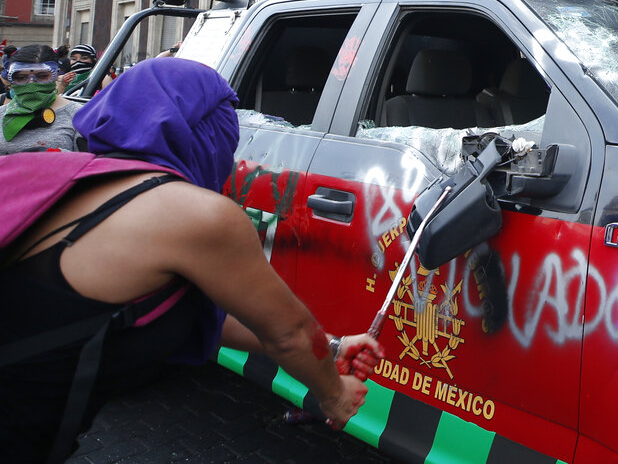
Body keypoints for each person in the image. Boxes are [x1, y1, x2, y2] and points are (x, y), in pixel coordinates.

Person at [0, 58, 383, 461]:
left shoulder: (69, 175)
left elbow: (195, 315)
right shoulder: (193, 213)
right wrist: (334, 394)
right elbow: (287, 334)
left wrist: (331, 346)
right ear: (205, 130)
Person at [0, 44, 82, 155]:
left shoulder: (78, 115)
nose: (31, 83)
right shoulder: (1, 114)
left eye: (42, 76)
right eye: (21, 77)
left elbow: (87, 164)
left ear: (56, 74)